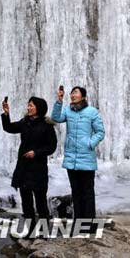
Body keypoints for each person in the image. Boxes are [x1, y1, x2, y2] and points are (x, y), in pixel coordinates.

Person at [1, 96, 57, 236]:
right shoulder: (25, 122)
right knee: (26, 202)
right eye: (28, 105)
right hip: (24, 167)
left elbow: (52, 147)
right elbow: (8, 128)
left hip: (38, 168)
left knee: (40, 201)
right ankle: (30, 231)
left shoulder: (47, 125)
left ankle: (44, 233)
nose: (28, 107)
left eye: (31, 105)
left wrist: (36, 153)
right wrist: (6, 114)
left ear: (39, 108)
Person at [51, 86, 105, 228]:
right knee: (76, 192)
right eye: (72, 93)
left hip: (86, 158)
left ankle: (90, 225)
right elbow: (56, 118)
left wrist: (90, 143)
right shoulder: (68, 110)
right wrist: (59, 100)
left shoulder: (92, 112)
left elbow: (100, 132)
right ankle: (78, 223)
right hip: (71, 159)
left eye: (75, 92)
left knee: (87, 192)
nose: (72, 95)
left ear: (83, 96)